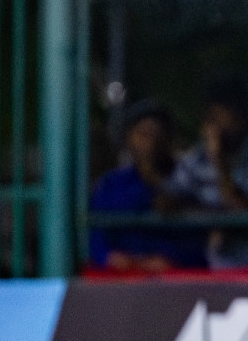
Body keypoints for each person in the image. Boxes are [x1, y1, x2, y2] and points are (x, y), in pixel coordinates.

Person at [166, 77, 248, 269]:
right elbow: (166, 203)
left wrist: (219, 163)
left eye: (226, 113)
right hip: (213, 260)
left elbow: (240, 209)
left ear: (244, 116)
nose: (218, 124)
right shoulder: (197, 158)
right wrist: (212, 221)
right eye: (213, 115)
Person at [86, 100, 206, 272]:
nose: (151, 141)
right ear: (128, 138)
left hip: (175, 281)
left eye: (157, 133)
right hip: (118, 279)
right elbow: (96, 241)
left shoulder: (188, 178)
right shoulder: (110, 184)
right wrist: (111, 258)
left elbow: (198, 245)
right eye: (143, 133)